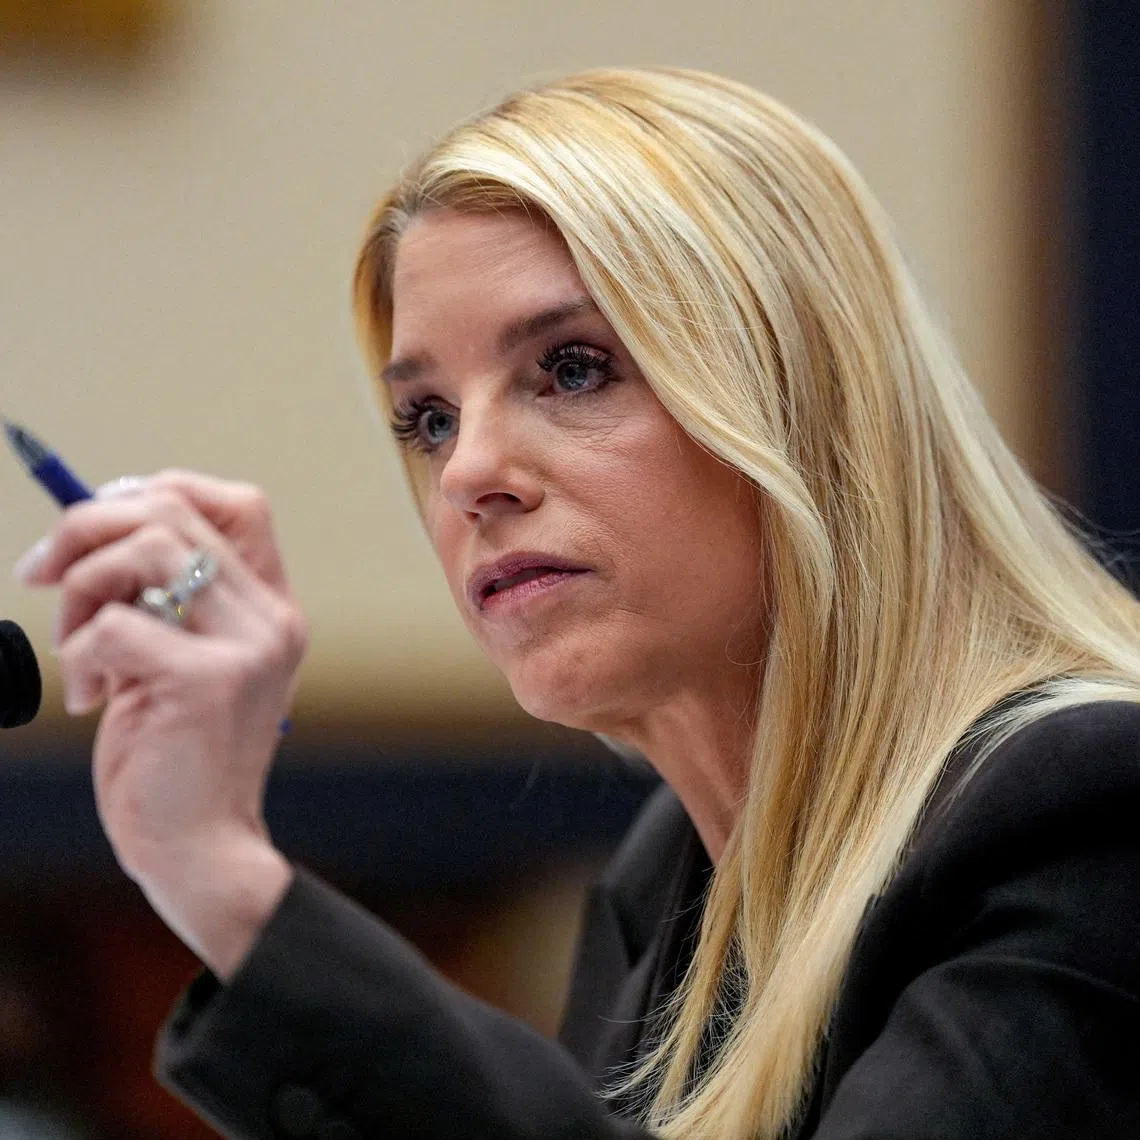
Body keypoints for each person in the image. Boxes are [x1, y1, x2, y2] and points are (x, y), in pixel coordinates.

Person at [13, 66, 1140, 1139]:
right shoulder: (675, 876)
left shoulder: (1083, 818)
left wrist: (227, 883)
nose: (468, 473)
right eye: (430, 417)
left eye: (573, 369)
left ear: (805, 397)